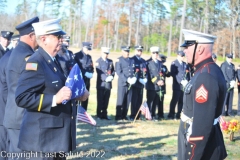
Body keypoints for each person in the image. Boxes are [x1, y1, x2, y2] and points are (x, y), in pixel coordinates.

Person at [15, 18, 89, 159]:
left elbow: (56, 88)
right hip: (41, 143)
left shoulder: (53, 61)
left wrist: (76, 93)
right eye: (58, 37)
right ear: (44, 39)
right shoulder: (35, 62)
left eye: (61, 37)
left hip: (54, 140)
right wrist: (55, 99)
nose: (61, 40)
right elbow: (22, 97)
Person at [178, 29, 227, 160]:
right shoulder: (205, 70)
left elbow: (202, 125)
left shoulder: (206, 76)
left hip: (202, 149)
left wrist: (191, 155)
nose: (184, 51)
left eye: (188, 47)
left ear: (199, 49)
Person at [3, 16, 39, 155]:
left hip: (15, 115)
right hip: (20, 117)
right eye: (38, 35)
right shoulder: (28, 56)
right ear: (31, 35)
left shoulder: (18, 51)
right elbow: (33, 85)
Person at [168, 51, 190, 119]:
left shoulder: (185, 64)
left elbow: (187, 74)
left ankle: (178, 114)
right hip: (177, 84)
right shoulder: (174, 63)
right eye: (181, 56)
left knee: (181, 100)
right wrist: (180, 81)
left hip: (183, 85)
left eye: (183, 56)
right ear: (177, 55)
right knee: (175, 100)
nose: (182, 57)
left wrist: (187, 81)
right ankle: (171, 114)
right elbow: (173, 74)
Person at [115, 46, 135, 121]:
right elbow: (119, 72)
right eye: (126, 51)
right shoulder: (119, 60)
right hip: (122, 83)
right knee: (121, 99)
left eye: (128, 51)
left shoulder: (132, 60)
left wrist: (133, 78)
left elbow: (133, 71)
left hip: (130, 83)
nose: (127, 53)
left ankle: (124, 115)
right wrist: (127, 79)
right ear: (122, 52)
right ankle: (118, 115)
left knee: (127, 100)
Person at [95, 47, 115, 120]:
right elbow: (99, 71)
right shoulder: (98, 61)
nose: (106, 55)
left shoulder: (110, 61)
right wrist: (105, 78)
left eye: (107, 53)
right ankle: (99, 114)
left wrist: (111, 77)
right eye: (104, 53)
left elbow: (113, 71)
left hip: (108, 84)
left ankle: (104, 114)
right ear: (101, 53)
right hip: (101, 84)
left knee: (106, 99)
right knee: (100, 99)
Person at [145, 47, 165, 120]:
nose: (155, 54)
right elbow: (149, 74)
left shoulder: (160, 63)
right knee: (150, 101)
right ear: (151, 53)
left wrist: (162, 80)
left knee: (156, 101)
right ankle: (148, 116)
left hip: (159, 86)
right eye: (154, 53)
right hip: (151, 86)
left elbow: (162, 73)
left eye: (157, 53)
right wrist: (157, 82)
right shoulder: (148, 63)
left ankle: (153, 115)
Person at [129, 45, 148, 120]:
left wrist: (145, 79)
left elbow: (146, 71)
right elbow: (131, 71)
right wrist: (137, 79)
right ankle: (133, 115)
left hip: (141, 84)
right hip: (135, 83)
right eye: (138, 50)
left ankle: (138, 115)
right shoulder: (132, 60)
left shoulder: (143, 61)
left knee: (139, 100)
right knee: (134, 100)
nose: (139, 52)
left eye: (140, 51)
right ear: (135, 51)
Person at [74, 42, 94, 111]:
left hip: (87, 80)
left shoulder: (89, 57)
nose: (88, 51)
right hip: (79, 80)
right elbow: (76, 68)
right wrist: (84, 73)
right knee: (78, 96)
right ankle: (77, 112)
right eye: (87, 49)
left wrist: (91, 73)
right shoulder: (77, 56)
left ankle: (84, 112)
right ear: (83, 47)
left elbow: (91, 67)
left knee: (86, 96)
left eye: (89, 49)